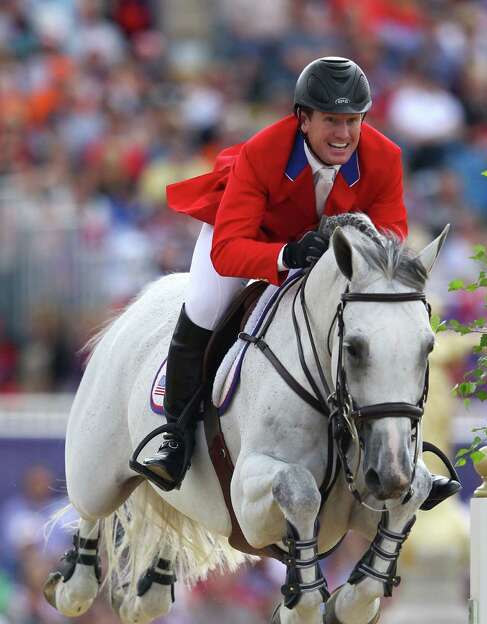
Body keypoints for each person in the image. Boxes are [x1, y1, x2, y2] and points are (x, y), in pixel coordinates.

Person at [141, 56, 457, 512]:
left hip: (330, 253)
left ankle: (408, 454)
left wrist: (356, 241)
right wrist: (286, 255)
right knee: (206, 308)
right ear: (303, 119)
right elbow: (229, 250)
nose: (344, 134)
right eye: (331, 120)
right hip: (252, 239)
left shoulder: (384, 156)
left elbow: (392, 237)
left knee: (385, 335)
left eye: (353, 121)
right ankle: (174, 435)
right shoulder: (262, 153)